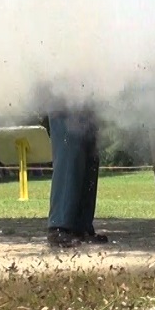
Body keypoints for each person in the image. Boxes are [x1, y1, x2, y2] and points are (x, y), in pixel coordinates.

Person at [46, 105, 107, 247]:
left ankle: (81, 226)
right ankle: (59, 226)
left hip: (87, 97)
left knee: (90, 155)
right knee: (69, 151)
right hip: (65, 92)